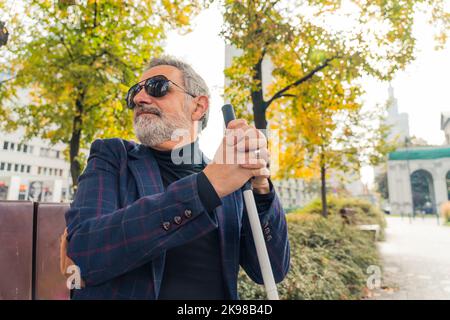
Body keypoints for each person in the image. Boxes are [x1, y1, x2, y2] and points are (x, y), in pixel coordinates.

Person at [63, 56, 290, 300]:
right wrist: (204, 188)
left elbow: (271, 271)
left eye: (157, 87)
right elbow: (86, 252)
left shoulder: (230, 175)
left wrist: (261, 189)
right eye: (134, 93)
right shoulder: (113, 157)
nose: (139, 99)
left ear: (198, 106)